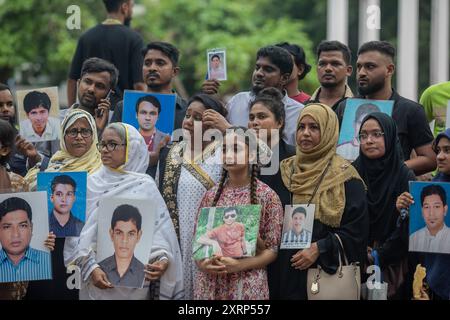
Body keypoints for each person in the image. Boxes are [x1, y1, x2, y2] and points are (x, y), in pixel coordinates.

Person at [69, 122, 183, 300]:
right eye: (102, 144)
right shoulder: (90, 184)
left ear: (132, 147)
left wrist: (162, 259)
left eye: (112, 144)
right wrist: (91, 268)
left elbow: (160, 232)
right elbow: (75, 235)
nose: (105, 149)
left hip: (139, 285)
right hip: (99, 282)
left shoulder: (145, 185)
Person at [278, 103, 369, 299]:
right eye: (301, 127)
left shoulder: (346, 177)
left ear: (329, 131)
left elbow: (357, 231)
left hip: (324, 274)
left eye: (314, 127)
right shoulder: (285, 171)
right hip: (285, 274)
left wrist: (319, 248)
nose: (305, 133)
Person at [194, 127, 283, 300]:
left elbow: (272, 251)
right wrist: (204, 264)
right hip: (211, 284)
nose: (228, 154)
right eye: (225, 149)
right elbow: (198, 246)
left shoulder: (267, 196)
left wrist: (238, 265)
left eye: (236, 149)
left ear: (251, 155)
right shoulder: (210, 196)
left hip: (247, 284)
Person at [23, 109, 102, 300]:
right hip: (48, 252)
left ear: (94, 134)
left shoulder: (104, 172)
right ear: (63, 135)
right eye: (72, 131)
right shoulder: (47, 169)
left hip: (87, 257)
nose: (79, 137)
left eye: (85, 131)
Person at [157, 93, 227, 299]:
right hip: (176, 241)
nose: (188, 122)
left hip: (212, 244)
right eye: (187, 115)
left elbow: (265, 155)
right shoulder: (170, 153)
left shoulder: (226, 152)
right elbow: (158, 201)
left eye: (197, 118)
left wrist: (228, 128)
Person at [335, 41, 436, 176]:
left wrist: (392, 169)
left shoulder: (410, 110)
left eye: (370, 67)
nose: (361, 73)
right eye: (359, 67)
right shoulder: (345, 107)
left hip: (394, 195)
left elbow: (430, 159)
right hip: (349, 192)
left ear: (389, 70)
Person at [353, 112, 415, 299]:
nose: (369, 140)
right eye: (363, 135)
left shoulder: (404, 176)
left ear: (389, 135)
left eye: (376, 134)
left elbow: (409, 229)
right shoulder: (352, 173)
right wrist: (361, 250)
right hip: (357, 261)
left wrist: (380, 254)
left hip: (394, 265)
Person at [202, 45, 304, 146]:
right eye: (257, 67)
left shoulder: (299, 113)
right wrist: (210, 99)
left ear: (284, 78)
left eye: (268, 69)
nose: (259, 73)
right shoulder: (237, 101)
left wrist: (229, 129)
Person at [247, 87, 296, 299]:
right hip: (246, 249)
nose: (254, 122)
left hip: (286, 250)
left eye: (262, 116)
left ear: (279, 122)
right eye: (251, 118)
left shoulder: (294, 159)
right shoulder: (241, 157)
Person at [397, 128, 450, 299]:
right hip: (434, 281)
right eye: (438, 150)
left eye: (448, 151)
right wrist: (405, 211)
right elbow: (413, 242)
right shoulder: (435, 187)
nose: (440, 156)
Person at [67, 0, 145, 107]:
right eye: (132, 6)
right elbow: (139, 85)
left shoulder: (86, 37)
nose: (132, 10)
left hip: (89, 111)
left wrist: (72, 112)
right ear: (124, 7)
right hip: (120, 114)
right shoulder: (134, 39)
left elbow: (72, 80)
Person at [112, 41, 188, 131]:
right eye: (147, 63)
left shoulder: (187, 111)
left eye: (160, 63)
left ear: (174, 72)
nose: (152, 68)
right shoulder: (123, 107)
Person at [0, 83, 59, 177]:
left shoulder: (24, 140)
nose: (5, 109)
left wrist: (34, 158)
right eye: (0, 105)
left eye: (9, 104)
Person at [0, 197, 52, 283]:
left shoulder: (48, 261)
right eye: (7, 227)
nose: (15, 235)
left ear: (31, 227)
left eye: (22, 226)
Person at [98, 204, 145, 288]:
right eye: (119, 233)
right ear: (111, 234)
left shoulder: (144, 273)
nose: (124, 240)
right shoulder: (98, 269)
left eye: (131, 234)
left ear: (138, 236)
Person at [69, 57, 118, 137]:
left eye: (99, 86)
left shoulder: (116, 122)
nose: (91, 89)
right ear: (78, 83)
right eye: (87, 82)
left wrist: (100, 130)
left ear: (110, 93)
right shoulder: (57, 119)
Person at [307, 41, 354, 110]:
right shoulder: (303, 108)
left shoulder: (357, 107)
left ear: (348, 70)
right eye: (322, 64)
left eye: (335, 64)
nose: (328, 69)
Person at [135, 95, 169, 177]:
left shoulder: (166, 139)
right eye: (143, 112)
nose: (147, 118)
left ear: (158, 117)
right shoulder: (128, 137)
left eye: (152, 113)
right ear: (136, 115)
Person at [409, 185, 450, 254]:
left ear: (445, 210)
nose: (431, 213)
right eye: (427, 207)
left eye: (437, 206)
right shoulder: (413, 238)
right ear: (422, 211)